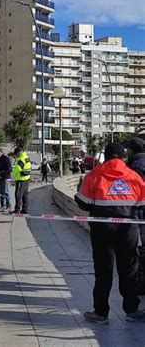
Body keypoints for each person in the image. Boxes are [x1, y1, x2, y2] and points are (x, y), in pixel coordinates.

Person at [75, 143, 145, 324]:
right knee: (129, 268)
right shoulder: (133, 175)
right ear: (123, 157)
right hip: (128, 228)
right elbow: (142, 202)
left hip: (101, 229)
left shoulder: (95, 174)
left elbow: (83, 203)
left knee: (103, 269)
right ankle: (131, 310)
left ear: (105, 156)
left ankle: (101, 313)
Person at [126, 137, 145, 295]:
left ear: (131, 150)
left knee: (140, 248)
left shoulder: (136, 165)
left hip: (139, 211)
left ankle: (141, 284)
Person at [11, 147, 31, 214]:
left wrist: (12, 169)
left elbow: (18, 168)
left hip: (21, 179)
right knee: (25, 194)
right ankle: (25, 209)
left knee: (18, 194)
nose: (16, 155)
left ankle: (17, 209)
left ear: (19, 152)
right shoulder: (26, 157)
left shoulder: (21, 159)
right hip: (26, 178)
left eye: (16, 154)